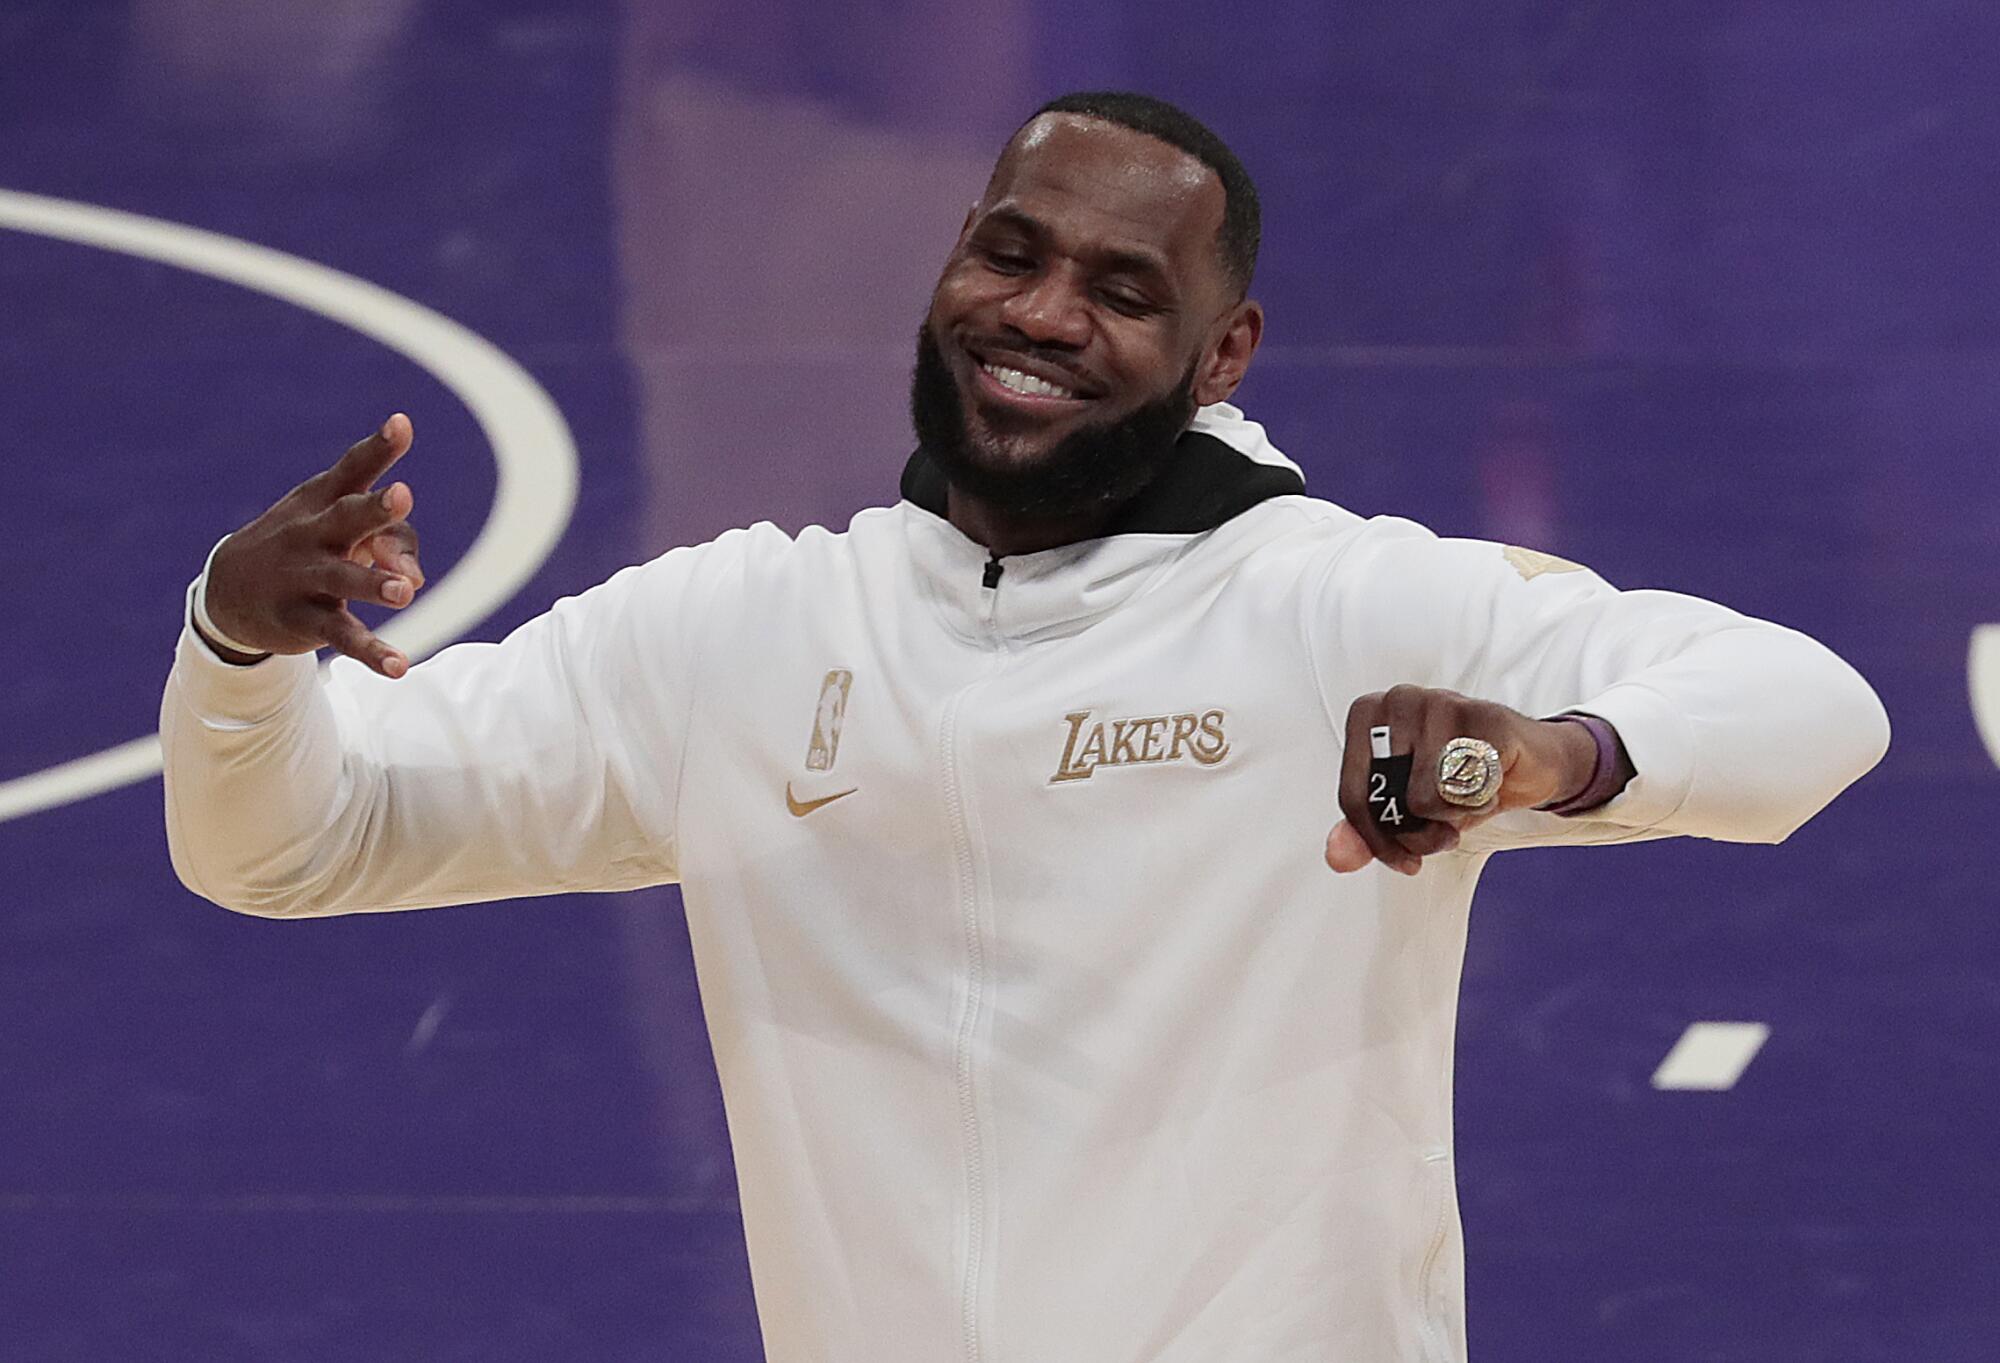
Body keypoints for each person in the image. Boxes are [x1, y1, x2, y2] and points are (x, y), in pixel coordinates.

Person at [162, 91, 1889, 1363]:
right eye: (1011, 251)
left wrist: (1546, 757)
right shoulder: (744, 632)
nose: (1044, 315)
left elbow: (1817, 708)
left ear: (1227, 355)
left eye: (1124, 291)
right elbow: (290, 845)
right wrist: (236, 648)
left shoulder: (1333, 605)